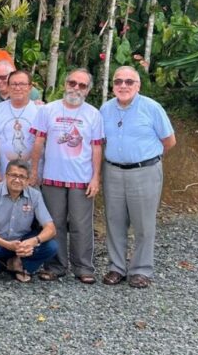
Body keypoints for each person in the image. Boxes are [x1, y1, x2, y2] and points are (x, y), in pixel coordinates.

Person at [100, 66, 176, 289]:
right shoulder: (105, 109)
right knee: (114, 221)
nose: (123, 85)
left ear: (138, 85)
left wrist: (147, 159)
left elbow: (169, 141)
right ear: (113, 85)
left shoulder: (152, 108)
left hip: (144, 171)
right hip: (112, 171)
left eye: (129, 82)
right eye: (118, 81)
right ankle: (116, 267)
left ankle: (141, 270)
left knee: (143, 224)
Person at [29, 68, 103, 284]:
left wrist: (96, 177)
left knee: (81, 224)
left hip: (81, 179)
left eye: (82, 85)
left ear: (88, 90)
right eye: (72, 83)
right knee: (55, 223)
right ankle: (55, 266)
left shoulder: (93, 114)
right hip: (52, 177)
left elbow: (96, 148)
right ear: (65, 84)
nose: (76, 88)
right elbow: (38, 142)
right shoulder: (48, 110)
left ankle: (83, 267)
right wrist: (34, 171)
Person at [0, 160, 57, 283]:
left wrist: (33, 241)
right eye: (13, 175)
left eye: (22, 177)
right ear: (6, 175)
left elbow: (51, 229)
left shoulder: (35, 195)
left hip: (22, 243)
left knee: (51, 246)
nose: (17, 180)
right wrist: (7, 244)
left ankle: (18, 263)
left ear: (28, 180)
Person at [0, 69, 40, 184]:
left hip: (31, 177)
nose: (17, 88)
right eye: (13, 84)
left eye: (22, 84)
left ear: (30, 87)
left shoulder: (40, 110)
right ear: (8, 87)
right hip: (3, 175)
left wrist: (34, 172)